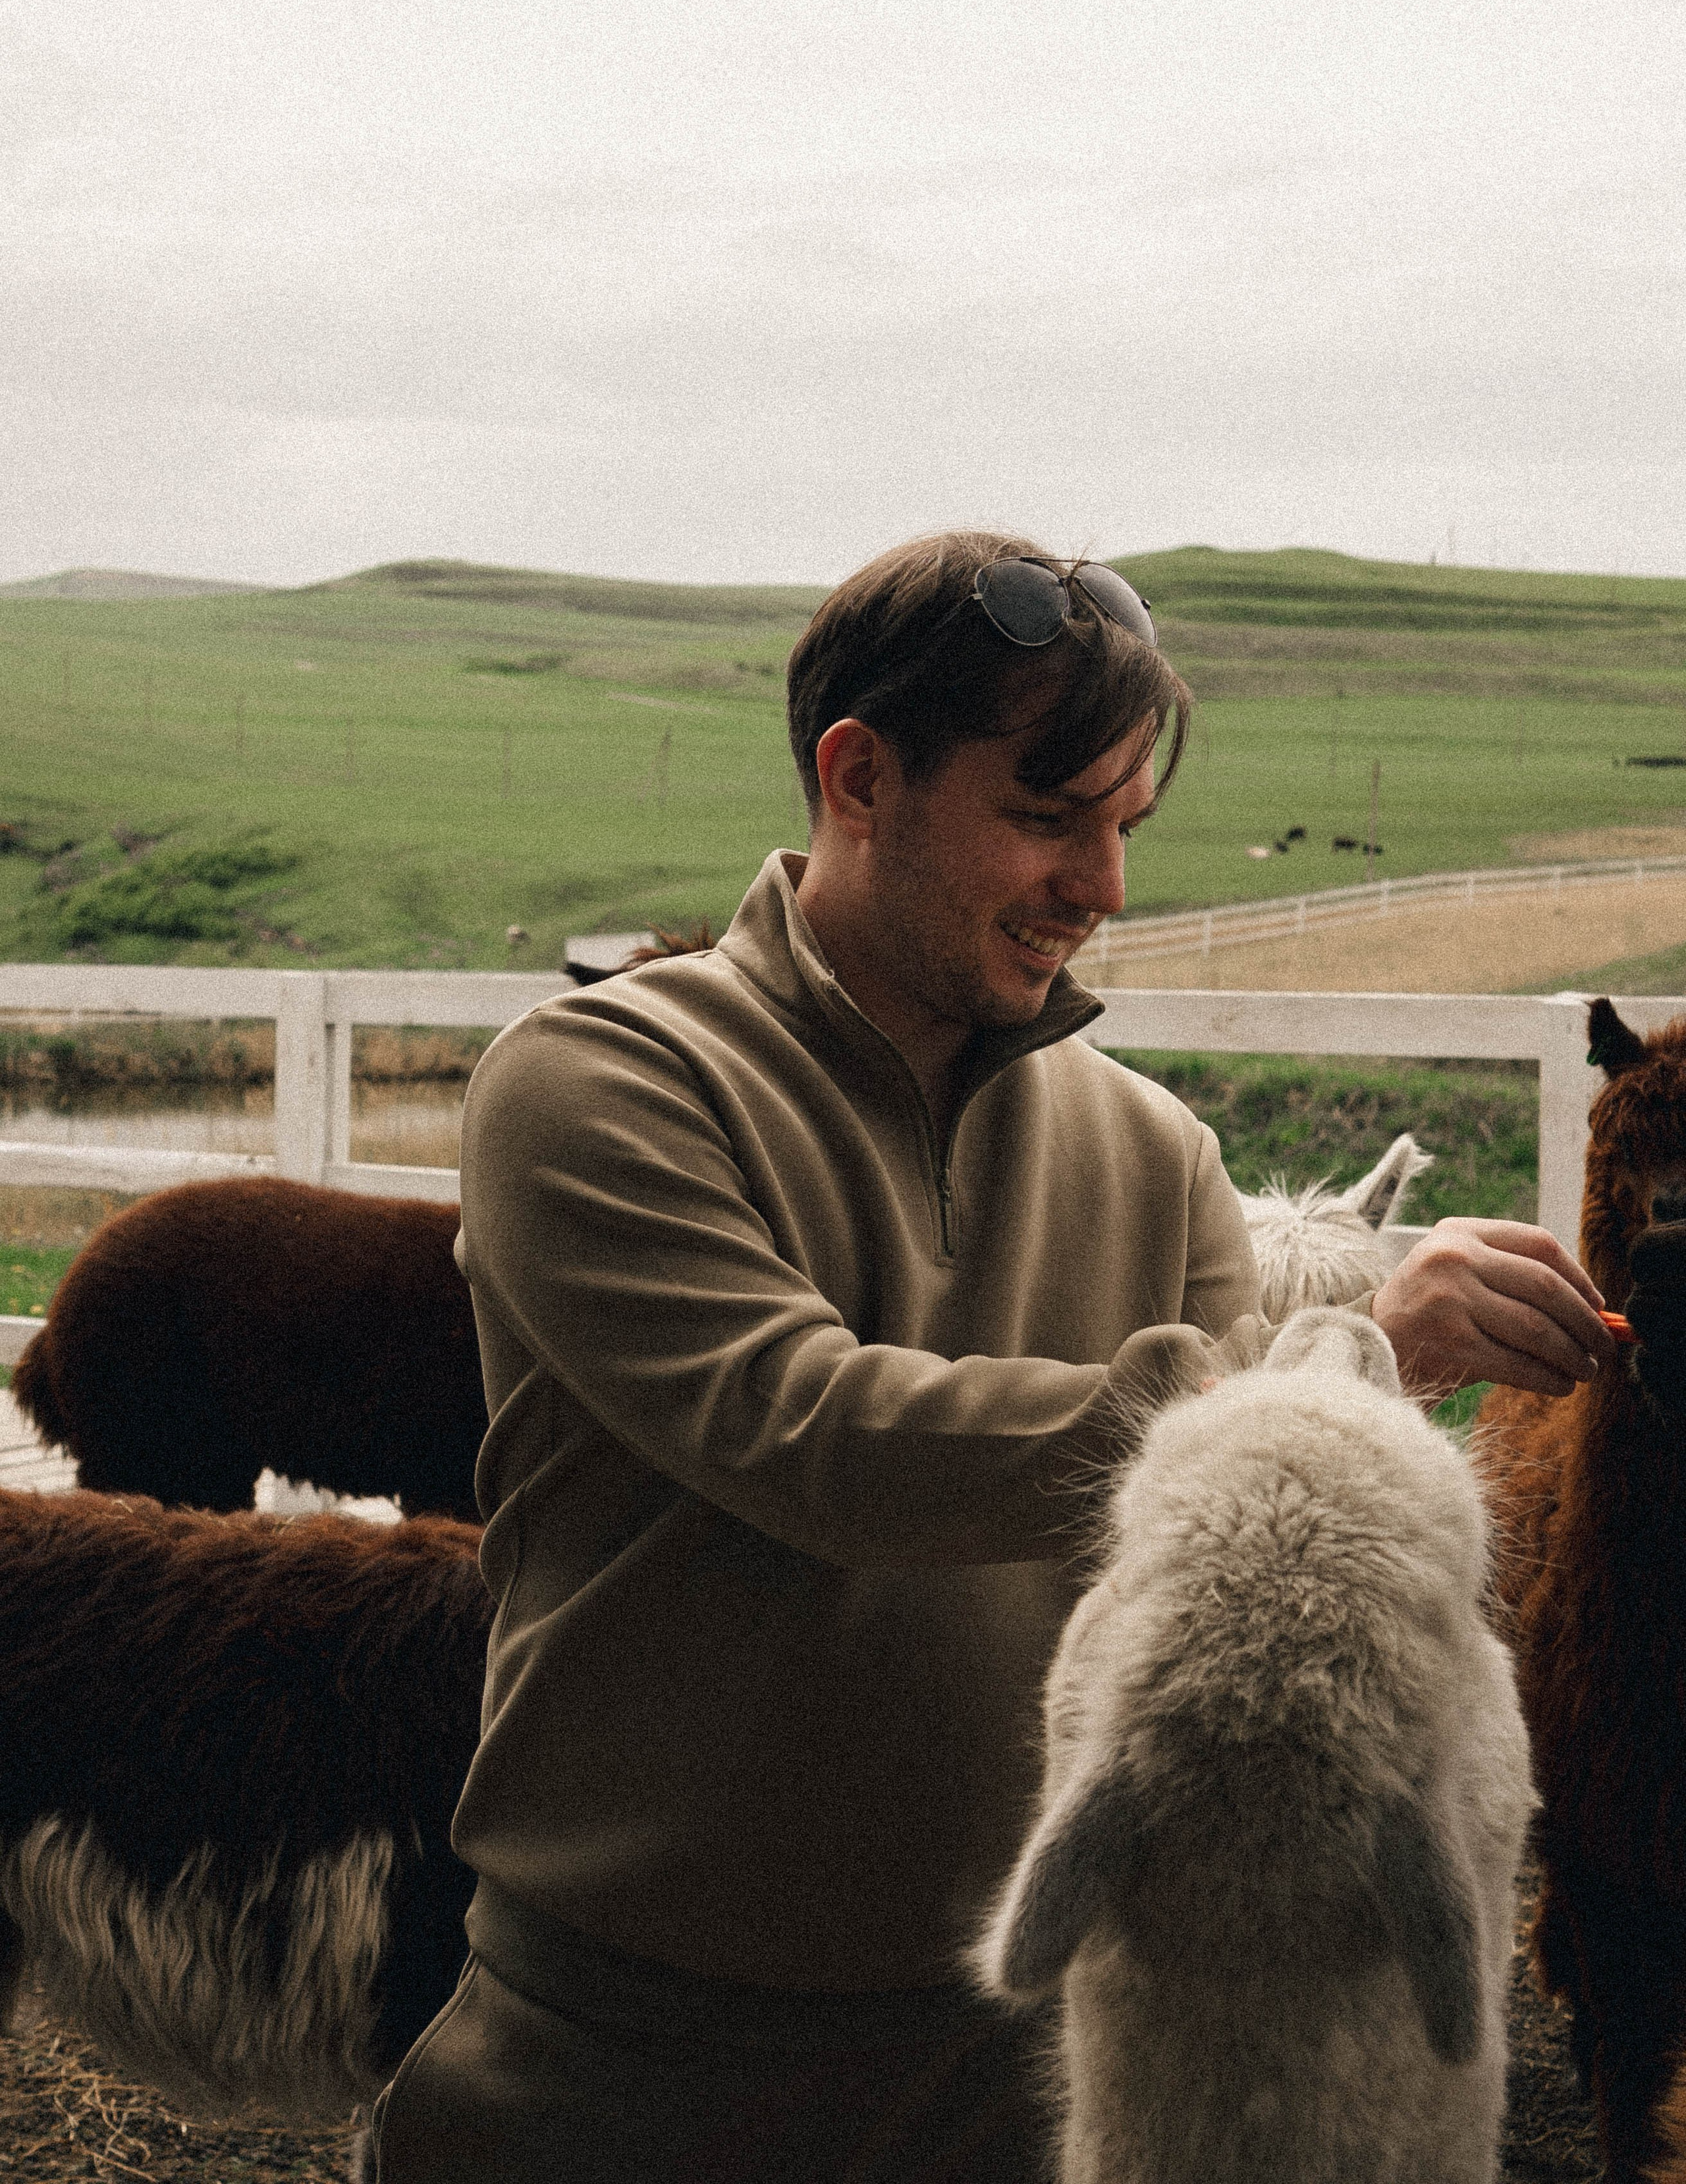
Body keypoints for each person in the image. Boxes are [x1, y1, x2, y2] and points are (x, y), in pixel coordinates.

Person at [371, 530, 1605, 2184]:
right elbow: (809, 1435)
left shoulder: (1155, 1152)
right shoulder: (593, 1084)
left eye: (1121, 827)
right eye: (1046, 814)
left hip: (1025, 2080)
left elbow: (1216, 1582)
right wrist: (1338, 1365)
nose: (1102, 886)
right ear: (858, 775)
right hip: (622, 2070)